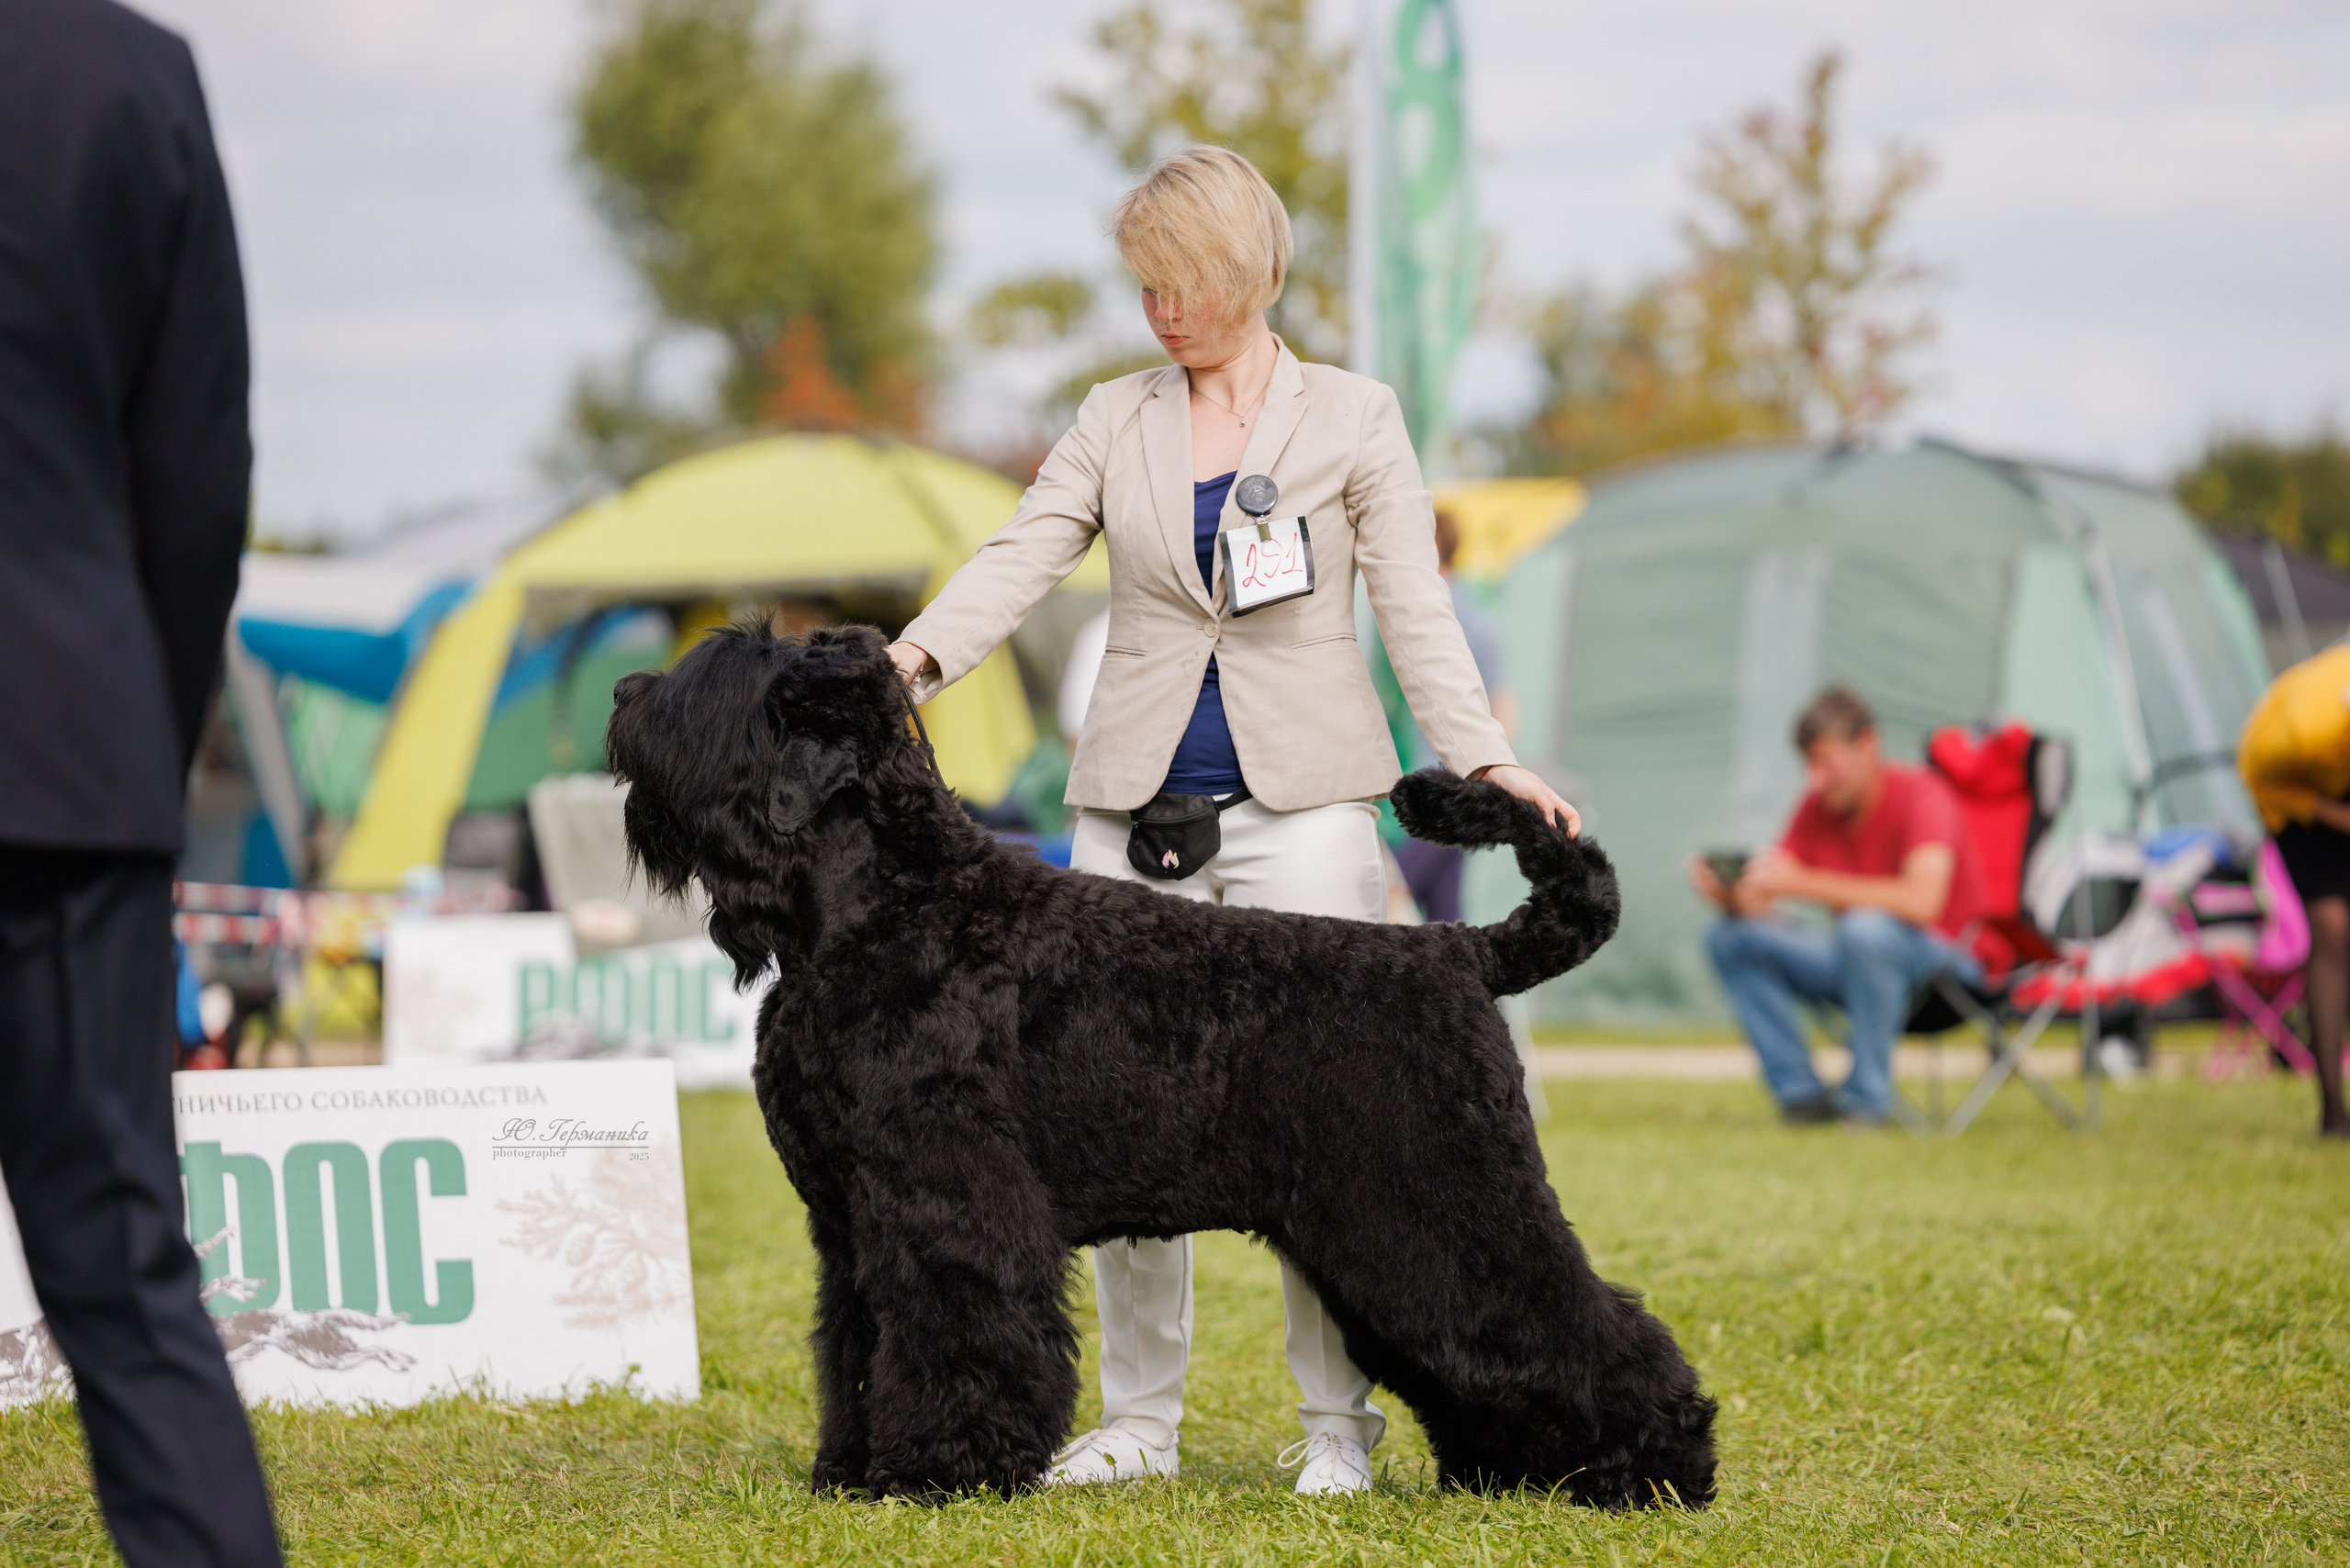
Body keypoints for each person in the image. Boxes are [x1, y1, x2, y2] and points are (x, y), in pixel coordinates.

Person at [888, 145, 1576, 1495]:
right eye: (1143, 284)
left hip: (1306, 811)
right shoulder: (1113, 415)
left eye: (1180, 282)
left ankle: (1338, 1431)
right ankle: (1141, 1424)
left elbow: (1415, 609)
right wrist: (908, 666)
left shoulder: (1356, 417)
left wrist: (1484, 762)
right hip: (1129, 810)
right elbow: (1025, 548)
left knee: (1329, 1127)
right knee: (1107, 1124)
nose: (1159, 310)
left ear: (1249, 273)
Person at [0, 1, 284, 1562]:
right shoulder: (133, 71)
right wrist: (137, 729)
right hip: (68, 747)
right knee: (119, 1263)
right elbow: (198, 472)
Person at [1691, 688, 1984, 1126]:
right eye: (1809, 764)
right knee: (1731, 938)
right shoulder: (1817, 807)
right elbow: (1770, 891)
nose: (1816, 778)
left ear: (1867, 745)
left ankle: (1866, 1103)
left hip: (1946, 971)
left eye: (1826, 762)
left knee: (1865, 930)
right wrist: (1728, 892)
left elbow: (1924, 902)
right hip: (1859, 964)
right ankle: (1803, 1097)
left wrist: (1804, 883)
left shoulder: (1923, 795)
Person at [2236, 644, 2350, 1138]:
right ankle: (2332, 1107)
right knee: (2332, 930)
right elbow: (2256, 774)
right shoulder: (2300, 732)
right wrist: (2336, 816)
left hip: (2339, 766)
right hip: (2290, 792)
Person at [1390, 506, 1516, 922]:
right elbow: (1504, 706)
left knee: (1390, 893)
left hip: (1439, 787)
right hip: (1457, 785)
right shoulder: (1472, 611)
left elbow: (1498, 708)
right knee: (1445, 915)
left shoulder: (1441, 614)